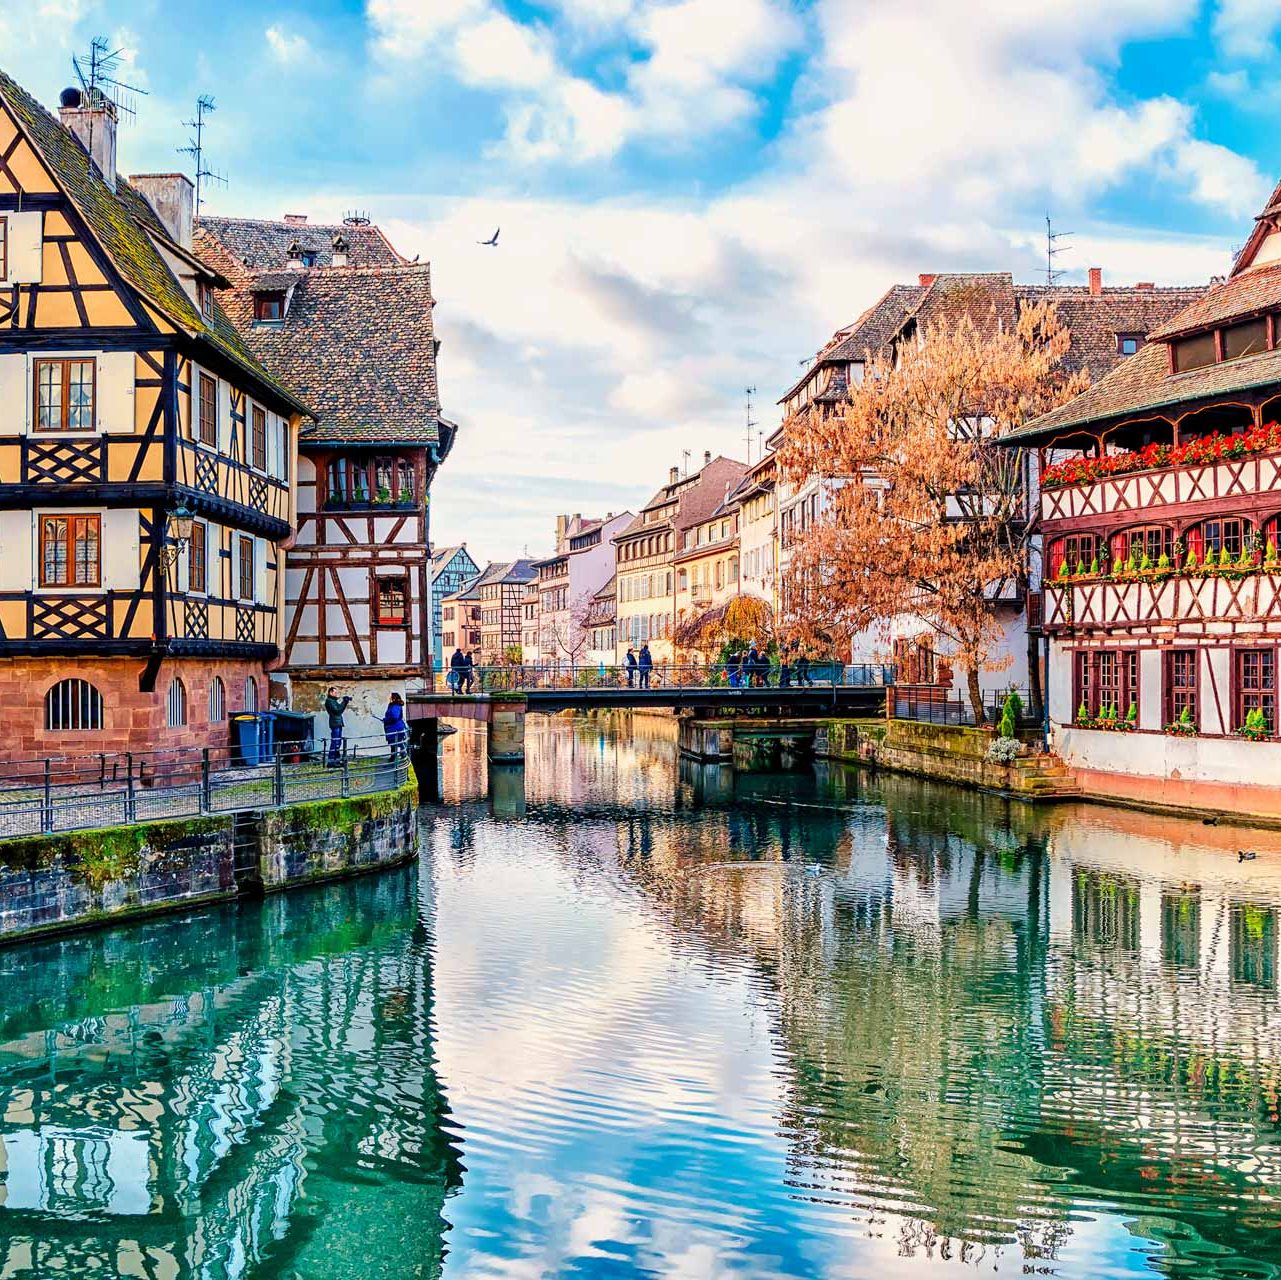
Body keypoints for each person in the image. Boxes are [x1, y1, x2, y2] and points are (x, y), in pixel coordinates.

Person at [324, 686, 351, 766]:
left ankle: (336, 760)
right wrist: (344, 702)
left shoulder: (333, 701)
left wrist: (345, 702)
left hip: (337, 723)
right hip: (335, 723)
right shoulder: (329, 701)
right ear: (330, 692)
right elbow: (337, 710)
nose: (336, 694)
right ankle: (331, 761)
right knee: (335, 742)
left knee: (338, 742)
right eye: (335, 692)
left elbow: (339, 710)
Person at [383, 692, 408, 759]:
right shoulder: (394, 705)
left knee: (396, 742)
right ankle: (395, 757)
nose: (389, 698)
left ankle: (399, 757)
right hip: (395, 727)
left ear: (393, 698)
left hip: (394, 727)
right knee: (395, 743)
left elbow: (394, 717)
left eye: (391, 697)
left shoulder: (395, 706)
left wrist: (386, 720)